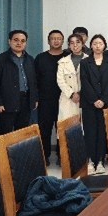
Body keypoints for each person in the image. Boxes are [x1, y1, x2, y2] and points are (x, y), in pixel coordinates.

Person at [0, 30, 38, 134]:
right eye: (16, 40)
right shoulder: (0, 59)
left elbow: (34, 82)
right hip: (7, 103)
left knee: (22, 134)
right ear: (9, 41)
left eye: (23, 41)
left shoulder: (30, 59)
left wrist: (35, 98)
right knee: (5, 134)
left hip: (26, 102)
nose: (19, 43)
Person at [80, 34, 108, 175]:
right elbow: (84, 82)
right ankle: (90, 161)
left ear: (104, 45)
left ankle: (100, 161)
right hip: (89, 103)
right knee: (90, 132)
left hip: (105, 103)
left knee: (102, 132)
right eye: (95, 43)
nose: (98, 46)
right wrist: (94, 100)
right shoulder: (85, 62)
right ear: (91, 46)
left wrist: (103, 100)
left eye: (100, 43)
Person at [34, 30, 66, 164]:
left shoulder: (68, 56)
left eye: (59, 38)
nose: (56, 41)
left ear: (63, 41)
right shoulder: (40, 58)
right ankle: (45, 156)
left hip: (65, 100)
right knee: (44, 130)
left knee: (62, 129)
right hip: (45, 100)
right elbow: (34, 80)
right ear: (48, 41)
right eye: (53, 38)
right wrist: (35, 98)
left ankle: (62, 156)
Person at [57, 34, 88, 122]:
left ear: (82, 44)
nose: (75, 45)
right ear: (69, 45)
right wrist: (71, 94)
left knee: (84, 125)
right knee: (67, 126)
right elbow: (60, 81)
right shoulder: (63, 62)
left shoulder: (89, 60)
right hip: (67, 99)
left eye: (78, 42)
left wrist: (80, 94)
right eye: (72, 43)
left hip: (85, 98)